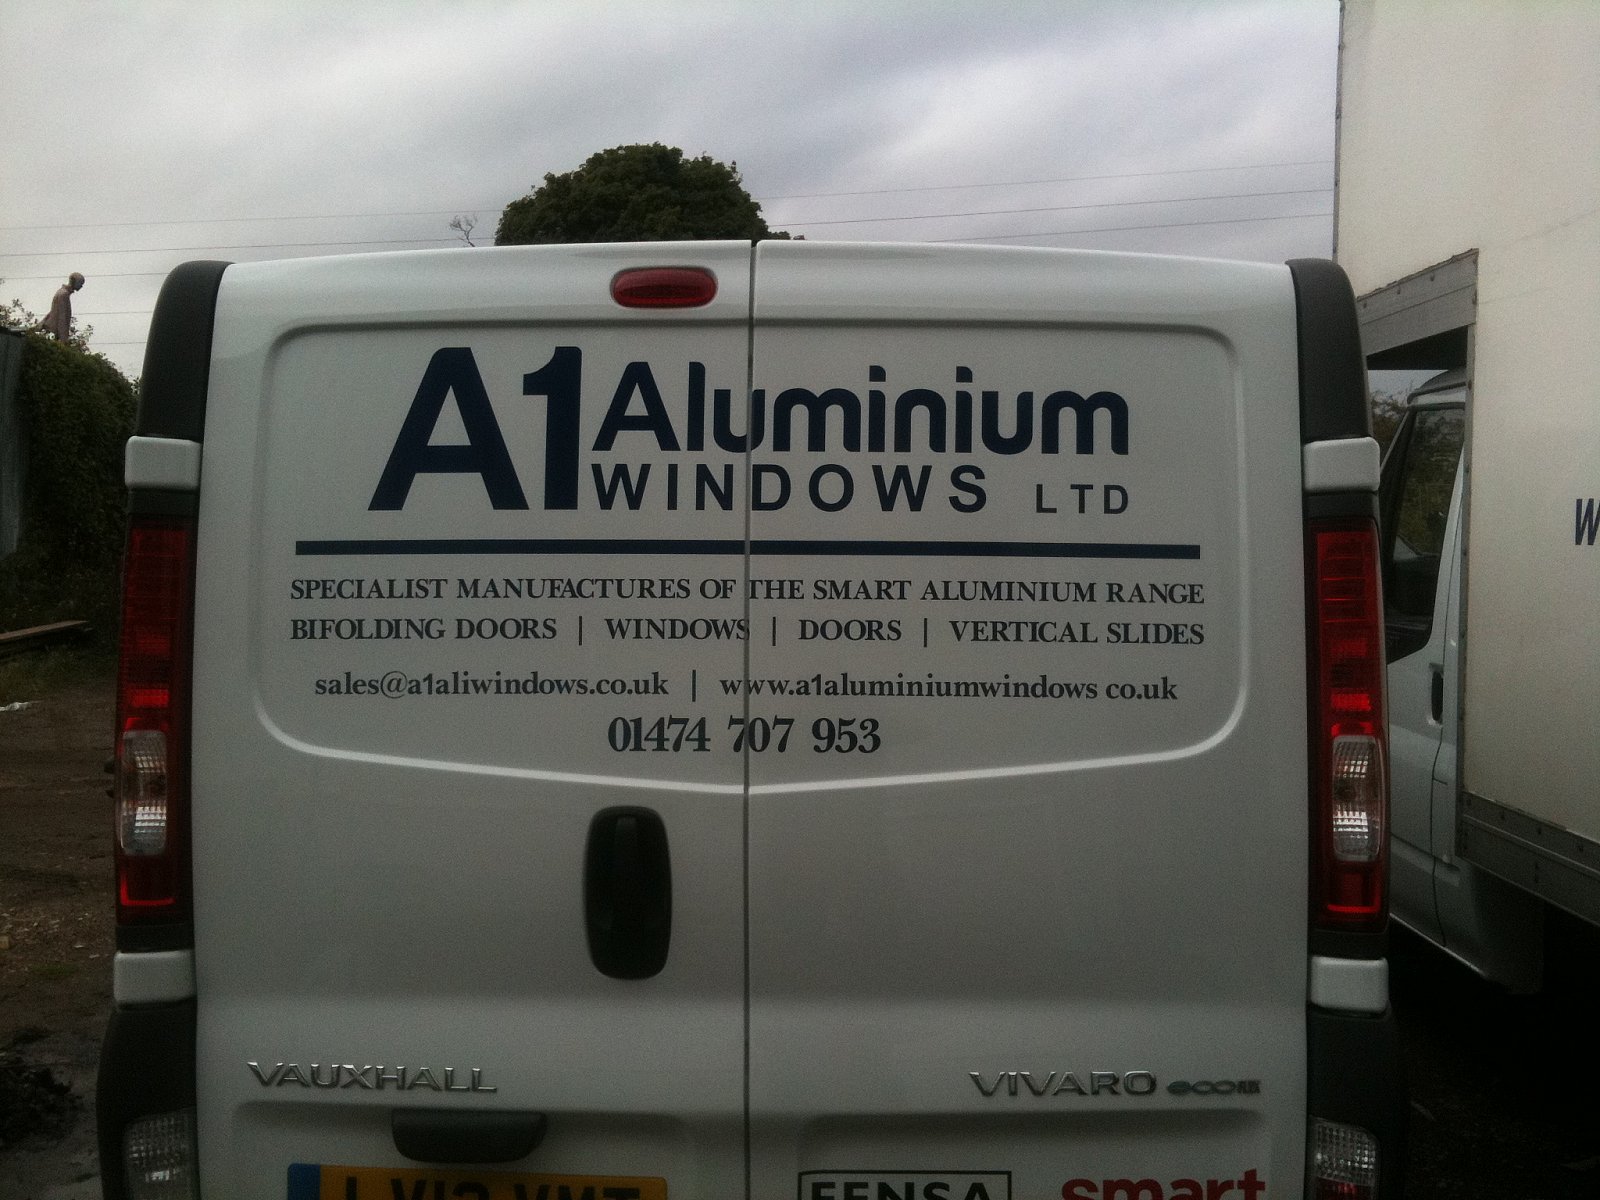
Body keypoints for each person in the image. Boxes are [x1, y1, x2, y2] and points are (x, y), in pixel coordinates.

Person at [38, 272, 84, 340]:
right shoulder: (64, 294)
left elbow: (53, 312)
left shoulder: (62, 292)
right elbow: (62, 318)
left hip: (51, 331)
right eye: (80, 283)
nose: (81, 286)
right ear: (73, 281)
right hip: (53, 331)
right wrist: (63, 339)